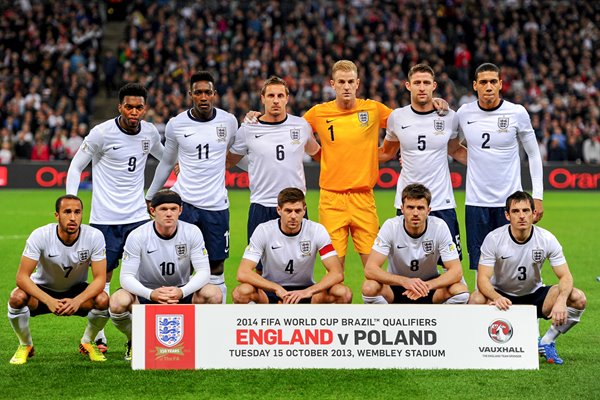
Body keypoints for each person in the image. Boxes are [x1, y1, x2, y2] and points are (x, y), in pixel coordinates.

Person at [303, 60, 448, 268]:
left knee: (374, 271)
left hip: (364, 198)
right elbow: (294, 130)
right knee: (334, 274)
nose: (346, 86)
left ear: (357, 83)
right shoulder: (318, 113)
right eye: (341, 82)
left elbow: (407, 121)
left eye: (350, 81)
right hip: (331, 200)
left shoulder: (372, 109)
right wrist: (319, 154)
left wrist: (435, 102)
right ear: (332, 84)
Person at [65, 83, 164, 351]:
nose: (134, 112)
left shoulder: (150, 132)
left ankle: (139, 337)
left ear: (145, 109)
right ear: (119, 107)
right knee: (103, 280)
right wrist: (71, 200)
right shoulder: (101, 133)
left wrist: (159, 187)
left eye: (139, 107)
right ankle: (97, 336)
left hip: (138, 218)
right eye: (129, 107)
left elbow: (165, 159)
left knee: (143, 278)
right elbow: (76, 166)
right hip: (104, 220)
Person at [145, 71, 238, 304]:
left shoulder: (228, 121)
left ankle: (219, 322)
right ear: (191, 95)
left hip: (216, 206)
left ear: (214, 94)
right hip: (184, 205)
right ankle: (182, 318)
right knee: (181, 264)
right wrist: (151, 194)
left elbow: (236, 155)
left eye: (208, 92)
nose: (203, 96)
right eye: (198, 92)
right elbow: (167, 161)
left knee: (216, 266)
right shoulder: (176, 124)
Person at [469, 191, 586, 365]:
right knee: (476, 299)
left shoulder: (546, 239)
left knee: (577, 298)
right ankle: (478, 346)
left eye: (526, 210)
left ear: (533, 213)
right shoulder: (494, 239)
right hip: (502, 297)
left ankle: (546, 341)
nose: (522, 216)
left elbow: (565, 276)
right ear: (507, 215)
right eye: (516, 211)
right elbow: (483, 280)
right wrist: (496, 297)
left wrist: (561, 300)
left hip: (534, 296)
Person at [453, 63, 544, 273]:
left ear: (501, 84)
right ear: (475, 85)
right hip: (476, 202)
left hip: (510, 203)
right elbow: (450, 147)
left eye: (493, 81)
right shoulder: (464, 113)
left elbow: (533, 154)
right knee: (480, 267)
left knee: (510, 265)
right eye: (483, 82)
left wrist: (537, 196)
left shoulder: (517, 112)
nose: (488, 86)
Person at [109, 190, 218, 361]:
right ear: (152, 211)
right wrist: (150, 293)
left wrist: (182, 292)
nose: (169, 213)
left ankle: (199, 342)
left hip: (180, 292)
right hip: (147, 293)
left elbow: (204, 272)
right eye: (163, 209)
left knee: (213, 293)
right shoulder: (137, 235)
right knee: (117, 301)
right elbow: (126, 277)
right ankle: (135, 340)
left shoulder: (192, 232)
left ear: (180, 210)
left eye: (174, 209)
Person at [379, 64, 467, 260]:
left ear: (433, 86)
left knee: (451, 265)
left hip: (441, 201)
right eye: (417, 83)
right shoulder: (397, 117)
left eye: (426, 83)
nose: (421, 87)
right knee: (406, 262)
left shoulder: (449, 117)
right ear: (408, 85)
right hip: (407, 203)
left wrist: (491, 162)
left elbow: (455, 150)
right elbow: (386, 153)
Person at [7, 195, 109, 364]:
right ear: (57, 215)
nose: (72, 217)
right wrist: (49, 301)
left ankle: (87, 341)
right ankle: (26, 345)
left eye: (77, 212)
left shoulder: (94, 236)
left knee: (104, 299)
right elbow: (22, 277)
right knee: (16, 298)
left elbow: (100, 279)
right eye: (67, 212)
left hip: (76, 290)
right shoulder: (40, 235)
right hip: (42, 290)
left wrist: (77, 301)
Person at [226, 76, 320, 242]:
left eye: (280, 96)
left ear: (287, 98)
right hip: (262, 205)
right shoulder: (248, 129)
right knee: (260, 267)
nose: (275, 100)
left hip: (295, 207)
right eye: (271, 96)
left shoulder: (301, 126)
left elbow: (318, 154)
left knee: (299, 264)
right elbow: (229, 161)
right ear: (262, 98)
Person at [233, 188, 352, 304]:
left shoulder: (317, 230)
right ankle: (259, 322)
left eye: (298, 211)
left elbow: (337, 273)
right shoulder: (263, 230)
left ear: (304, 210)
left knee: (342, 292)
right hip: (271, 291)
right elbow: (243, 272)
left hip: (305, 290)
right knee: (242, 292)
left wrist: (308, 292)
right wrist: (276, 288)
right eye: (288, 211)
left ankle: (322, 323)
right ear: (279, 210)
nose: (293, 216)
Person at [362, 184, 469, 305]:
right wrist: (404, 281)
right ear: (402, 209)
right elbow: (370, 269)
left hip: (428, 288)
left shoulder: (439, 226)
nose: (415, 213)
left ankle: (439, 322)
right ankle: (388, 321)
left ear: (428, 210)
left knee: (460, 291)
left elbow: (456, 271)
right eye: (410, 207)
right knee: (369, 287)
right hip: (396, 287)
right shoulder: (391, 226)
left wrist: (427, 285)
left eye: (420, 208)